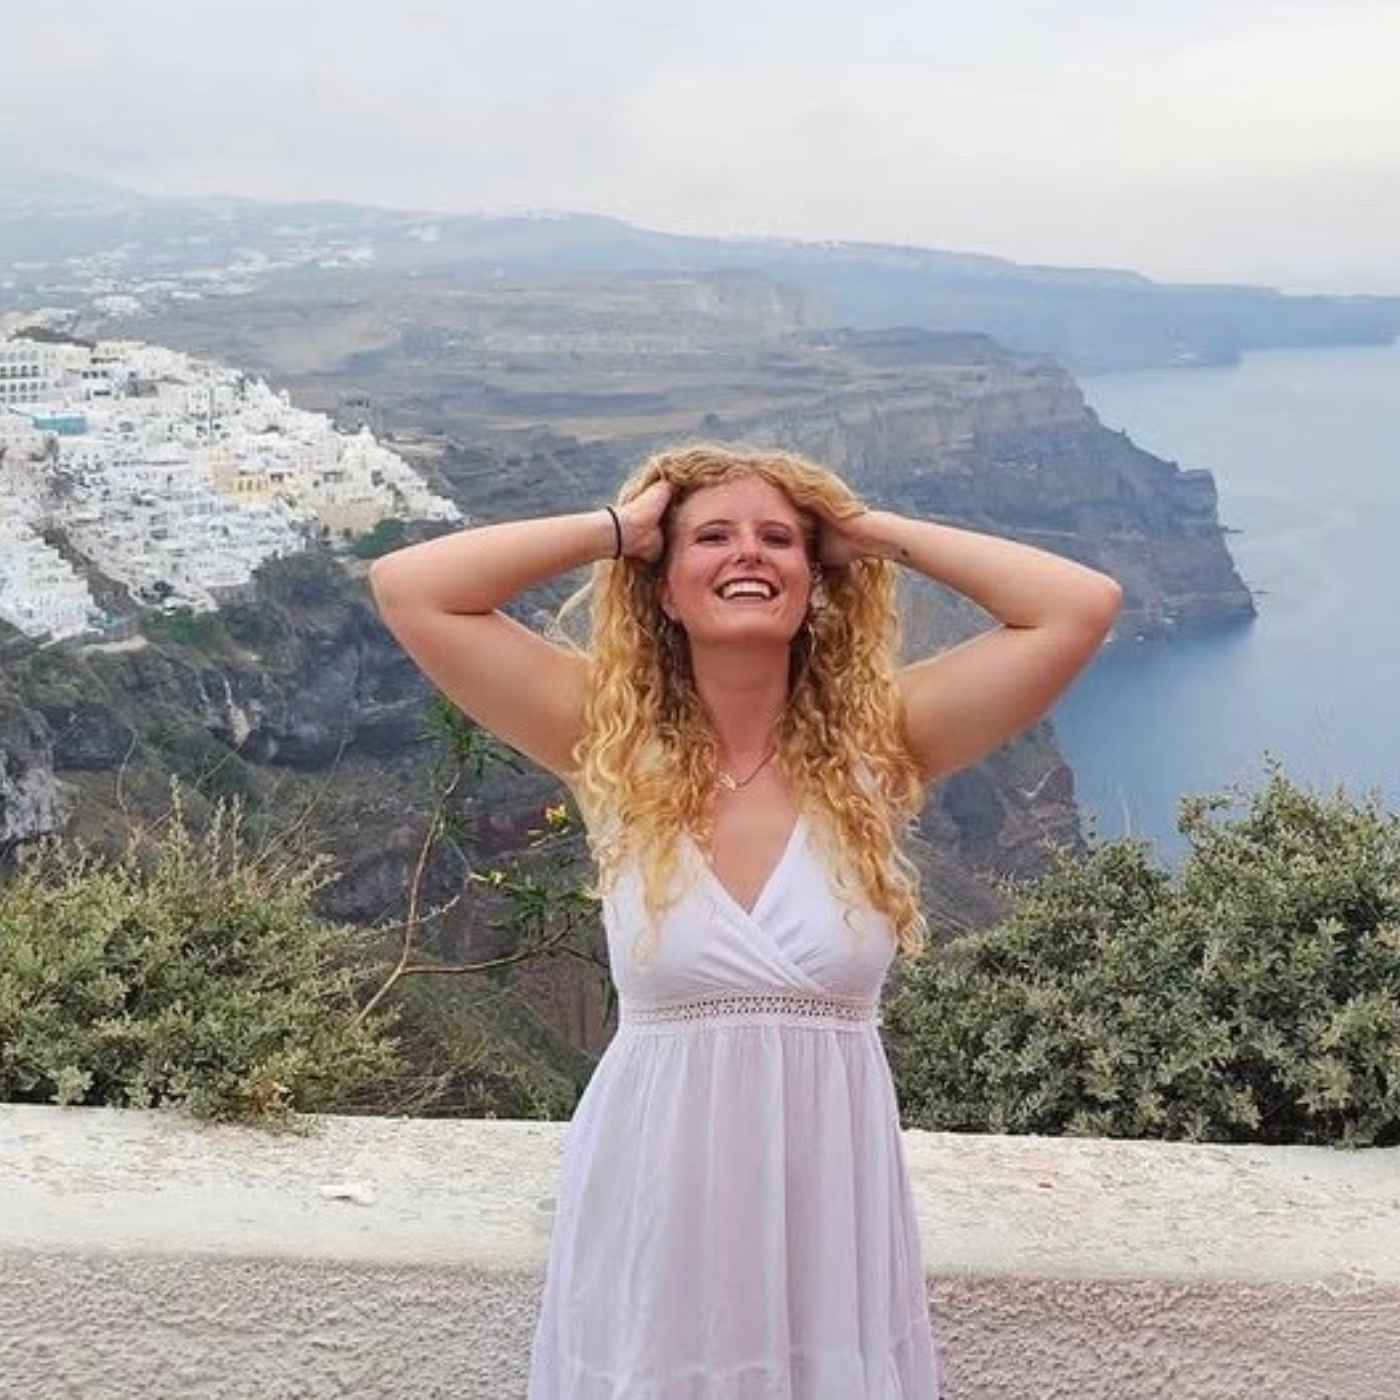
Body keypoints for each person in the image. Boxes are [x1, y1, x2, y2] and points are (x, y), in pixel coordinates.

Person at [369, 442, 1122, 1399]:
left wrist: (868, 532)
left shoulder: (880, 749)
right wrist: (616, 529)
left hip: (830, 1198)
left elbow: (1078, 607)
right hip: (659, 1185)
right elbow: (411, 589)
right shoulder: (606, 741)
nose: (748, 554)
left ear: (816, 585)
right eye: (711, 538)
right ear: (665, 589)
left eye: (778, 540)